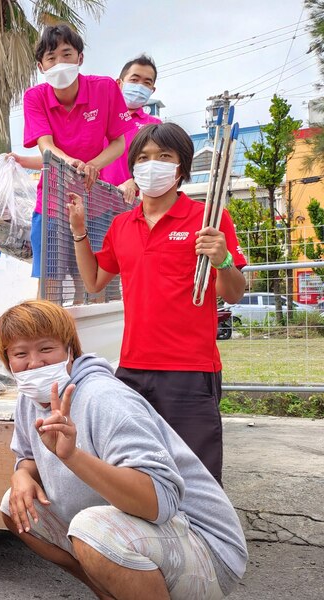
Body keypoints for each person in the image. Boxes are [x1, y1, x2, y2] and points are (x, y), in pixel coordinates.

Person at [0, 300, 247, 599]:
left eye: (46, 349)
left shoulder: (105, 398)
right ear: (7, 361)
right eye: (20, 354)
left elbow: (157, 503)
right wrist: (21, 475)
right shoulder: (29, 399)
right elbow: (28, 457)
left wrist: (73, 456)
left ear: (70, 350)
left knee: (94, 530)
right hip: (145, 533)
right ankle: (108, 592)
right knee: (16, 505)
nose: (34, 363)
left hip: (207, 550)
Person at [67, 123, 247, 482]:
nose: (153, 165)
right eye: (145, 157)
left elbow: (234, 293)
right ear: (133, 166)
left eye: (164, 157)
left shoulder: (208, 219)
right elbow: (94, 281)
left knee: (197, 475)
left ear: (181, 167)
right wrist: (79, 233)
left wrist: (223, 260)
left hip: (191, 369)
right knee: (137, 468)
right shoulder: (122, 224)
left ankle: (205, 537)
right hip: (132, 368)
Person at [15, 24, 129, 288]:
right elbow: (45, 145)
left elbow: (119, 143)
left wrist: (93, 165)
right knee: (49, 280)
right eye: (51, 58)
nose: (59, 63)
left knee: (89, 282)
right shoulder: (34, 97)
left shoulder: (105, 88)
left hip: (97, 202)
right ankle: (49, 329)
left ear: (80, 57)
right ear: (41, 66)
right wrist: (71, 164)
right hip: (53, 201)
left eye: (66, 54)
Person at [100, 55, 163, 204]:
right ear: (119, 83)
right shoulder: (97, 117)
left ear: (152, 90)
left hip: (127, 204)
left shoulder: (155, 126)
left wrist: (134, 183)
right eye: (134, 80)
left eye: (147, 83)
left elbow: (157, 166)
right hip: (91, 200)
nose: (140, 86)